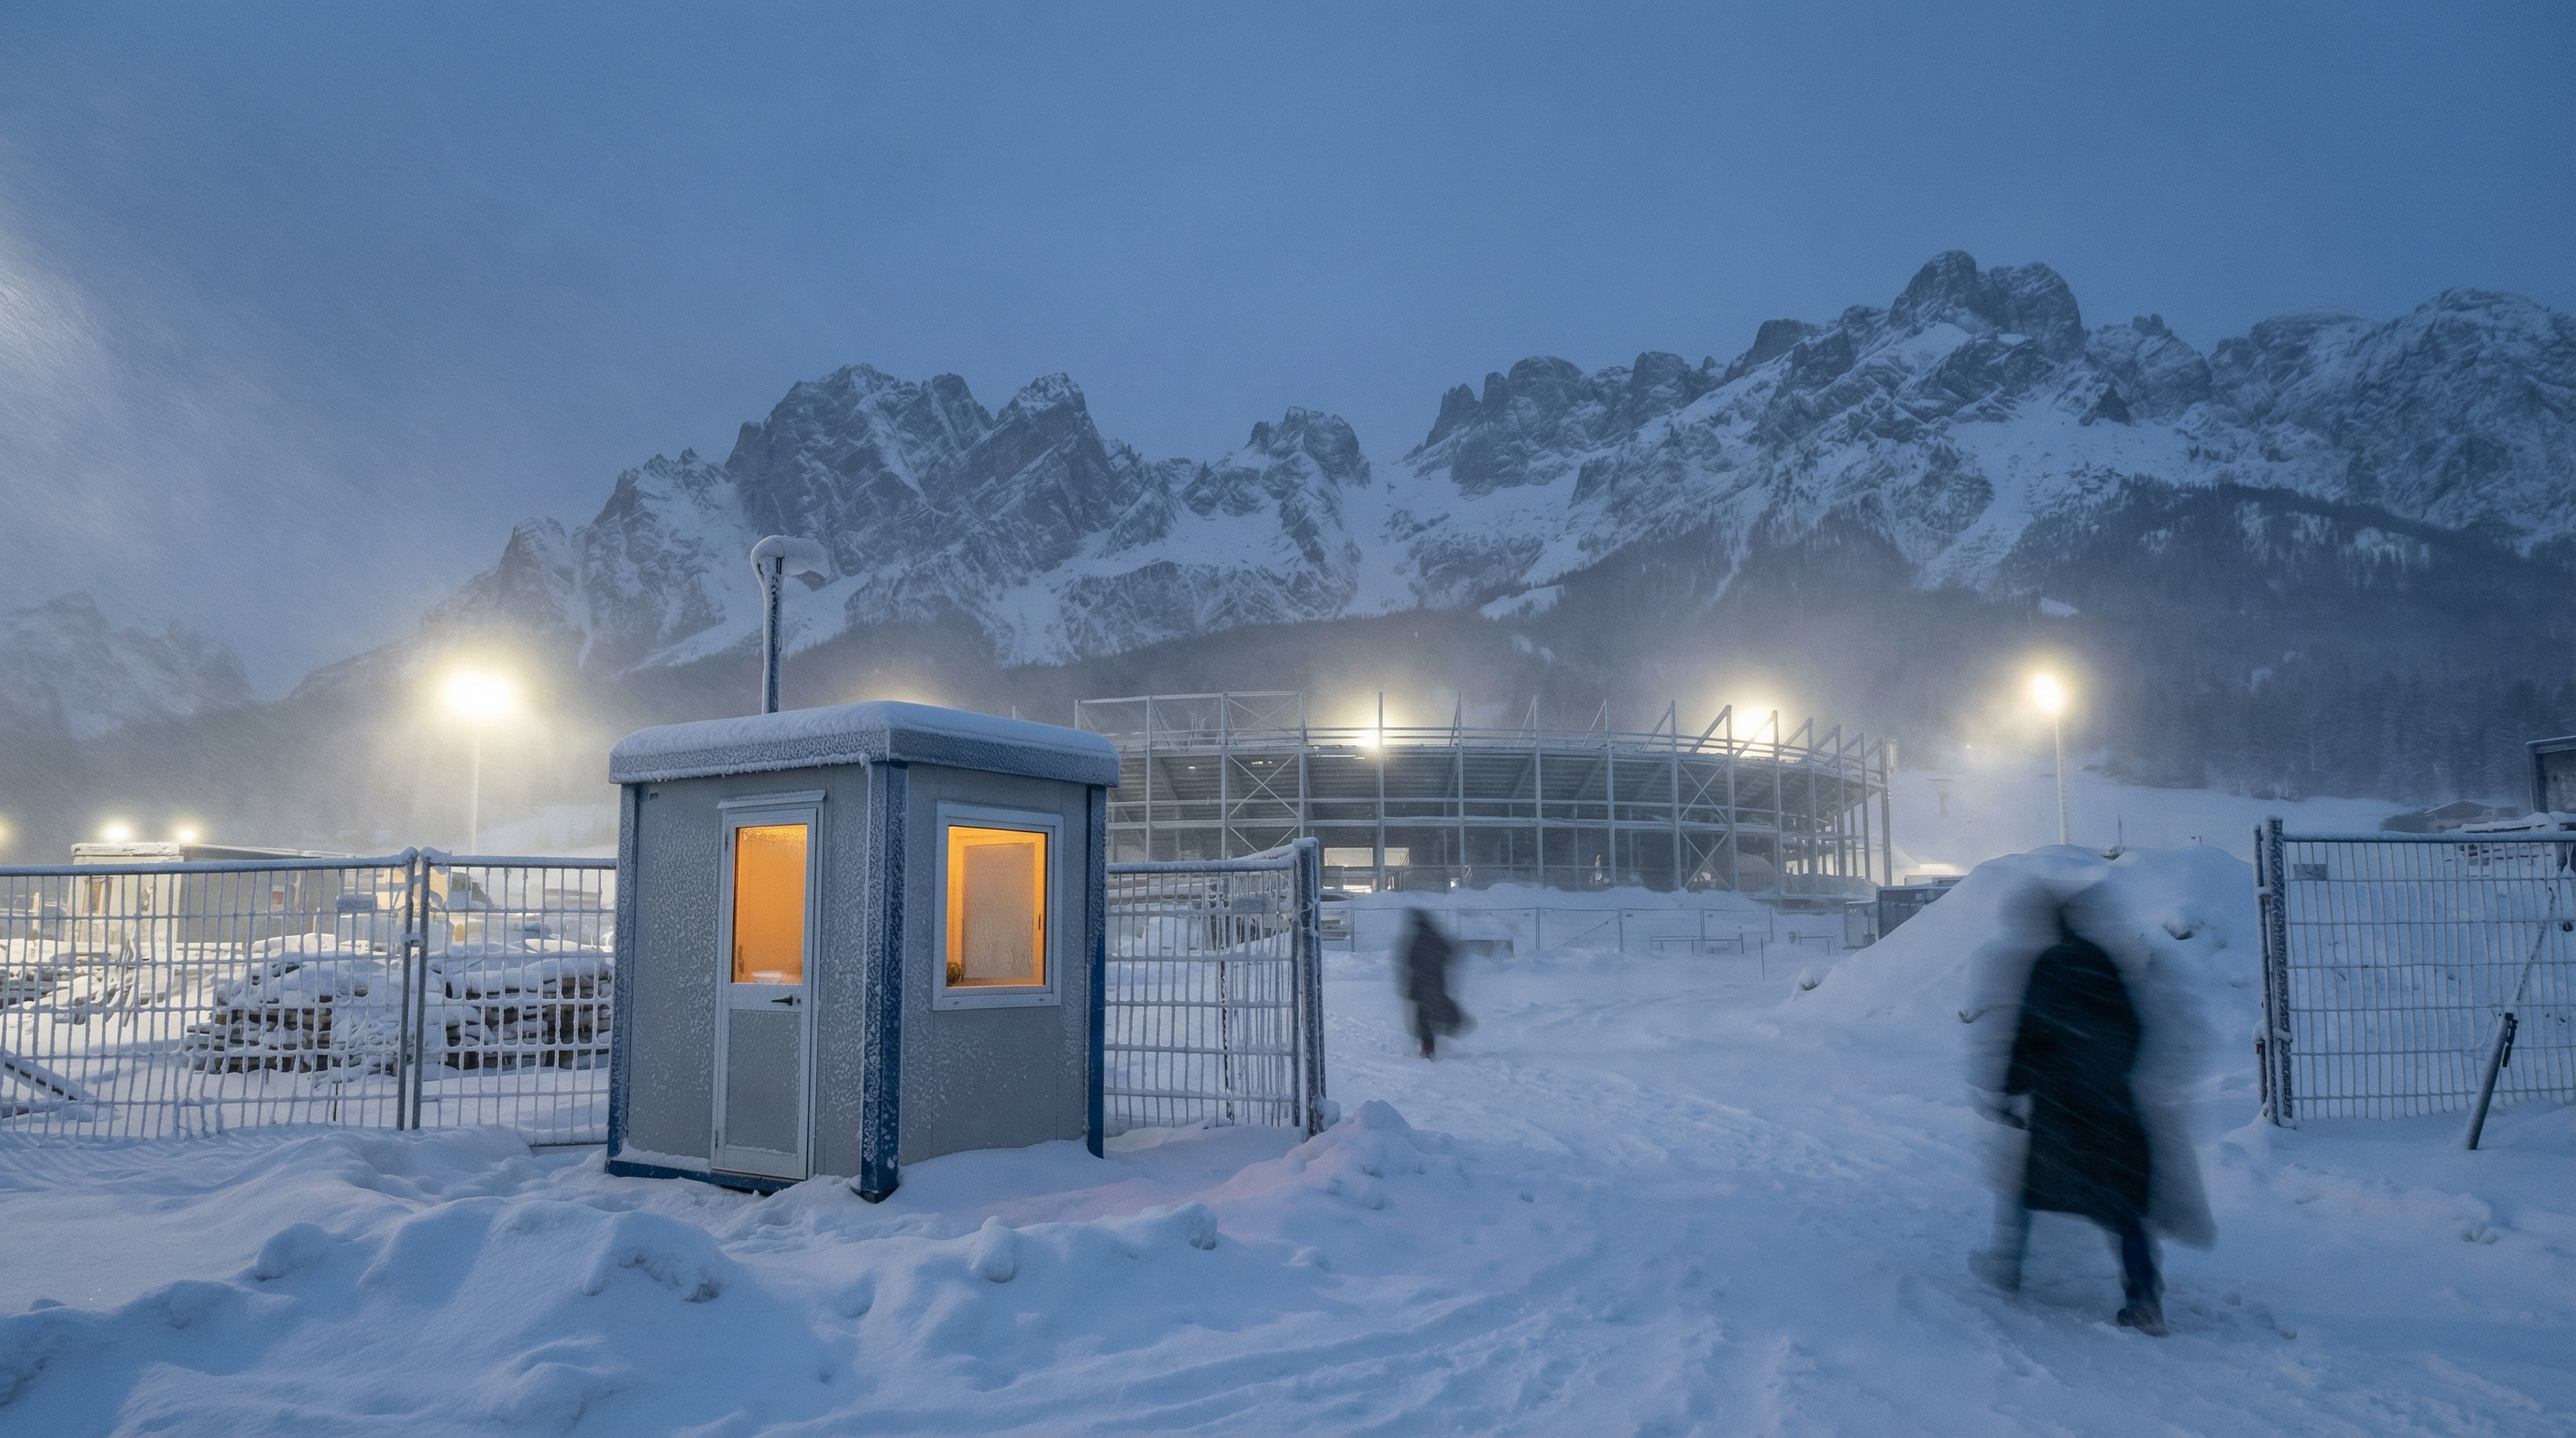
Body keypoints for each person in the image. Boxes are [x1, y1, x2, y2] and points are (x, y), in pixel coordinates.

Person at [1970, 888, 2200, 1337]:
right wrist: (2109, 1076)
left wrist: (2011, 1089)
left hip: (2063, 1114)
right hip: (2111, 1110)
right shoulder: (2101, 963)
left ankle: (2007, 1271)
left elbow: (2030, 1036)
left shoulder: (2051, 966)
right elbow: (2133, 1027)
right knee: (2122, 1207)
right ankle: (2144, 1298)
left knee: (2025, 1193)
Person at [1398, 908, 1470, 1059]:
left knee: (1423, 1018)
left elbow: (1409, 961)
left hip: (1421, 985)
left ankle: (1429, 1046)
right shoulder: (1435, 936)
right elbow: (1449, 951)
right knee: (1433, 1012)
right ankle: (1436, 1039)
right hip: (1435, 982)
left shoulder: (1417, 939)